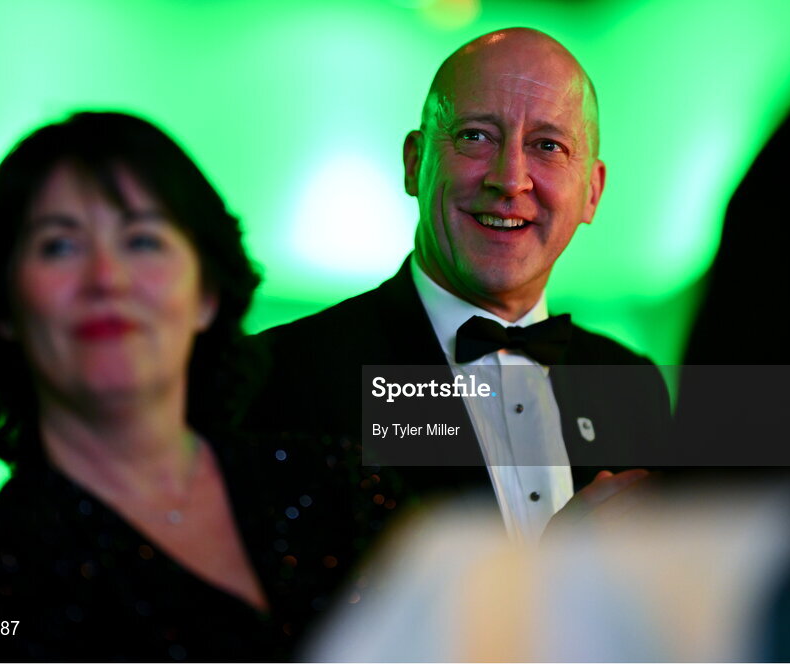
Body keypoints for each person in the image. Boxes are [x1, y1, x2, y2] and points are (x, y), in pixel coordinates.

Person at [0, 112, 386, 661]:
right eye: (59, 246)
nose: (107, 278)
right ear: (4, 307)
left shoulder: (337, 484)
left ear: (207, 294)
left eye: (141, 240)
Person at [245, 28, 669, 544]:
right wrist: (552, 575)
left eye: (548, 145)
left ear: (592, 193)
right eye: (475, 136)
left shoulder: (633, 387)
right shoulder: (282, 375)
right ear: (414, 163)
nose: (510, 178)